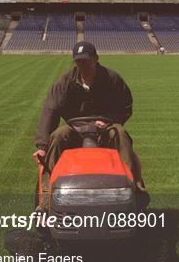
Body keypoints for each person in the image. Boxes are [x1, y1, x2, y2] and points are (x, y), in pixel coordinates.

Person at [33, 41, 146, 190]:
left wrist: (110, 121)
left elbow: (125, 106)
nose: (83, 65)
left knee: (120, 133)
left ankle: (134, 189)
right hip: (75, 130)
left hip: (105, 129)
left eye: (86, 61)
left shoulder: (112, 79)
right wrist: (42, 145)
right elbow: (50, 109)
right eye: (79, 61)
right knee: (59, 135)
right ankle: (47, 195)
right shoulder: (65, 82)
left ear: (96, 59)